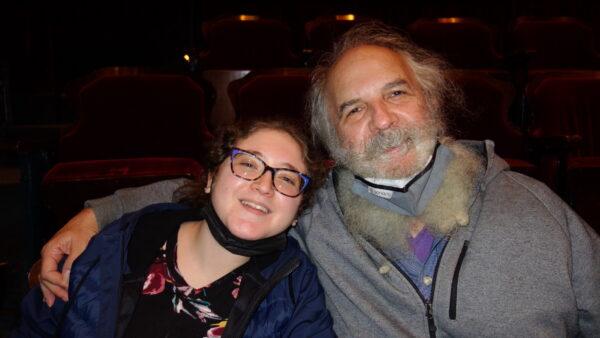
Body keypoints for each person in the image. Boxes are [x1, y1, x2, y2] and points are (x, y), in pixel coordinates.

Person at [38, 22, 599, 337]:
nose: (380, 121)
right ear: (333, 138)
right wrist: (98, 213)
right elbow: (237, 188)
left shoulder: (537, 208)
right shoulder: (313, 210)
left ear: (432, 98)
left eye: (396, 94)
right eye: (353, 110)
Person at [13, 119, 334, 337]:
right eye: (248, 163)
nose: (264, 185)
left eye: (287, 178)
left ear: (297, 212)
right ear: (210, 178)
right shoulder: (121, 243)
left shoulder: (297, 292)